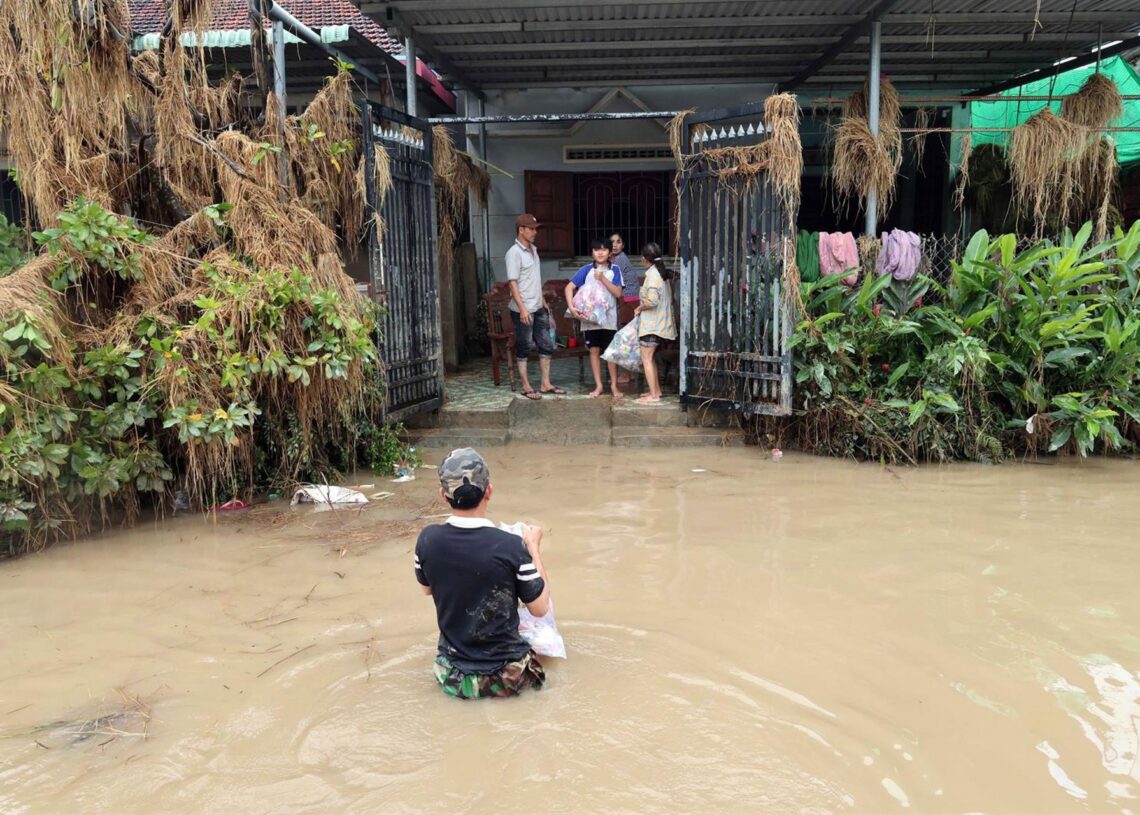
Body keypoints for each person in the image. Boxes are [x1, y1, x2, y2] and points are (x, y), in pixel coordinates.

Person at [414, 447, 550, 700]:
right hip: (509, 679)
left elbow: (427, 589)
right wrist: (534, 549)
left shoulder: (427, 540)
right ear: (489, 491)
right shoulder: (511, 545)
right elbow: (540, 609)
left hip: (453, 678)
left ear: (443, 495)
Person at [505, 213, 566, 400]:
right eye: (531, 229)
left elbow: (534, 278)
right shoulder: (513, 253)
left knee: (546, 344)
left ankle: (545, 384)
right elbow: (513, 283)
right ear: (521, 230)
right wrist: (523, 309)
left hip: (538, 306)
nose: (534, 232)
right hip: (523, 309)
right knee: (524, 346)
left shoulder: (534, 250)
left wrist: (542, 300)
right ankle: (525, 386)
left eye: (535, 229)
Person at [565, 238, 624, 399]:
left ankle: (613, 385)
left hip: (609, 320)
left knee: (610, 353)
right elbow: (569, 288)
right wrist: (571, 307)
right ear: (592, 253)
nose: (600, 252)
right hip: (590, 321)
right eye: (597, 249)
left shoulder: (615, 270)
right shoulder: (586, 270)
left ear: (610, 252)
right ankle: (598, 385)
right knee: (594, 350)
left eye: (604, 249)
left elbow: (618, 293)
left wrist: (603, 279)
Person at [633, 242, 677, 404]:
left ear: (644, 259)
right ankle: (656, 391)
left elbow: (651, 301)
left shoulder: (652, 276)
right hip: (658, 324)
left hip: (652, 325)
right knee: (650, 359)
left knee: (646, 358)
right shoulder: (661, 273)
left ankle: (653, 395)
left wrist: (639, 308)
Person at [609, 232, 638, 385]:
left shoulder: (619, 260)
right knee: (628, 336)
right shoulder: (616, 259)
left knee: (624, 337)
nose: (615, 245)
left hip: (628, 300)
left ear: (623, 245)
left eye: (618, 242)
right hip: (629, 300)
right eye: (612, 242)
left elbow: (612, 283)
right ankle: (629, 373)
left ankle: (626, 374)